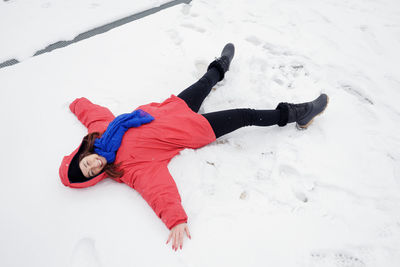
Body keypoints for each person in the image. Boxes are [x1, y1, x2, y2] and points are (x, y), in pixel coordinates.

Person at [59, 43, 328, 251]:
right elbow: (157, 189)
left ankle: (221, 66)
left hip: (173, 108)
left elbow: (91, 112)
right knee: (246, 115)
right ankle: (298, 114)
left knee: (204, 82)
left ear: (84, 154)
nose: (94, 166)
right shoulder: (128, 169)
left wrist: (75, 103)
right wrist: (175, 219)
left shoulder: (101, 133)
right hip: (196, 130)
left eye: (87, 163)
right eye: (92, 173)